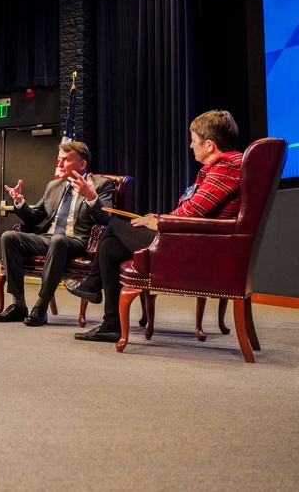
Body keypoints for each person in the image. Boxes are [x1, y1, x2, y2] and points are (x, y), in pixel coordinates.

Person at [67, 110, 245, 342]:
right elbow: (191, 212)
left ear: (209, 145)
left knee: (117, 223)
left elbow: (192, 213)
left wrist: (159, 222)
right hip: (194, 240)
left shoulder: (225, 167)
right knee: (110, 248)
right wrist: (159, 218)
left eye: (193, 141)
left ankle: (92, 285)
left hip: (198, 249)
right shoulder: (220, 167)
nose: (191, 147)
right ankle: (111, 325)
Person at [0, 141, 114, 327]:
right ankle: (18, 305)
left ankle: (41, 307)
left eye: (65, 160)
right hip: (48, 238)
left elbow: (106, 218)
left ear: (82, 164)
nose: (59, 164)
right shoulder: (54, 186)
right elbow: (34, 218)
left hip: (77, 242)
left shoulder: (100, 185)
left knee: (58, 240)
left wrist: (91, 197)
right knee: (9, 237)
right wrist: (19, 202)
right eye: (59, 159)